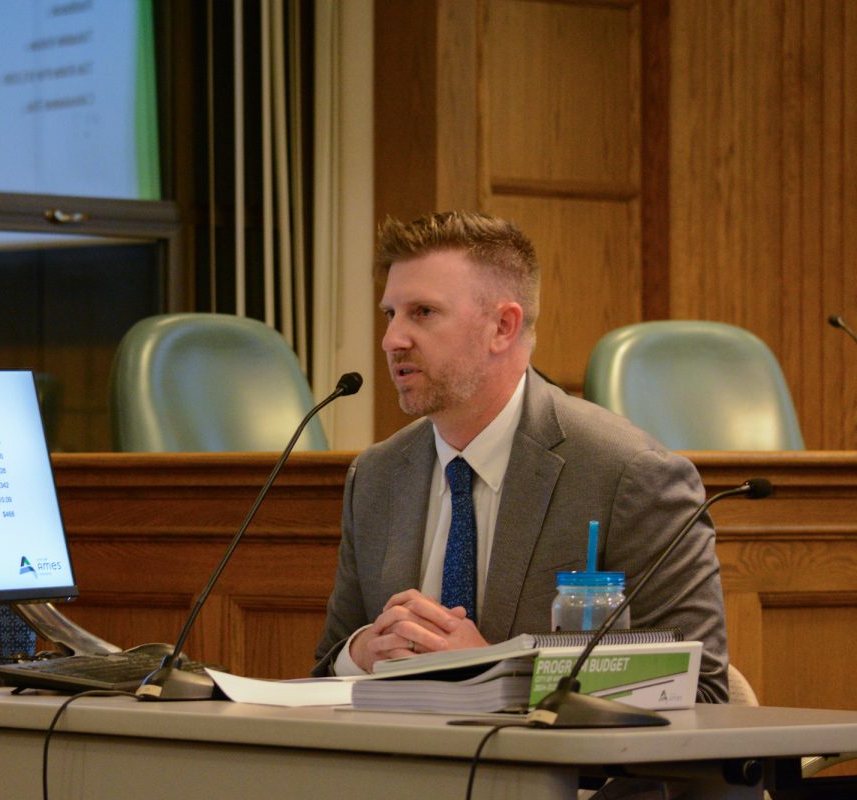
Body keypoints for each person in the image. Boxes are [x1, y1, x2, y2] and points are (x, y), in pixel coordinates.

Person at [312, 210, 729, 703]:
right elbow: (325, 672)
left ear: (503, 327)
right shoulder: (377, 474)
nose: (391, 340)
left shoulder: (629, 475)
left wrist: (496, 673)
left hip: (568, 780)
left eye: (422, 312)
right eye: (390, 314)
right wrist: (359, 652)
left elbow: (699, 693)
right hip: (407, 773)